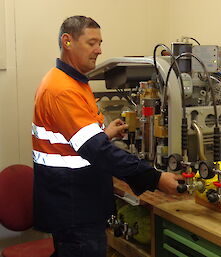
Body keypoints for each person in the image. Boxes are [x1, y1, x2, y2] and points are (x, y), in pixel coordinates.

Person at [32, 15, 183, 257]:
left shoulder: (73, 81)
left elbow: (74, 140)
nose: (99, 50)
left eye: (100, 43)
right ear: (67, 41)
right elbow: (97, 151)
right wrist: (155, 178)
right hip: (74, 204)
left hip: (74, 197)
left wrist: (104, 134)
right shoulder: (62, 89)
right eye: (91, 43)